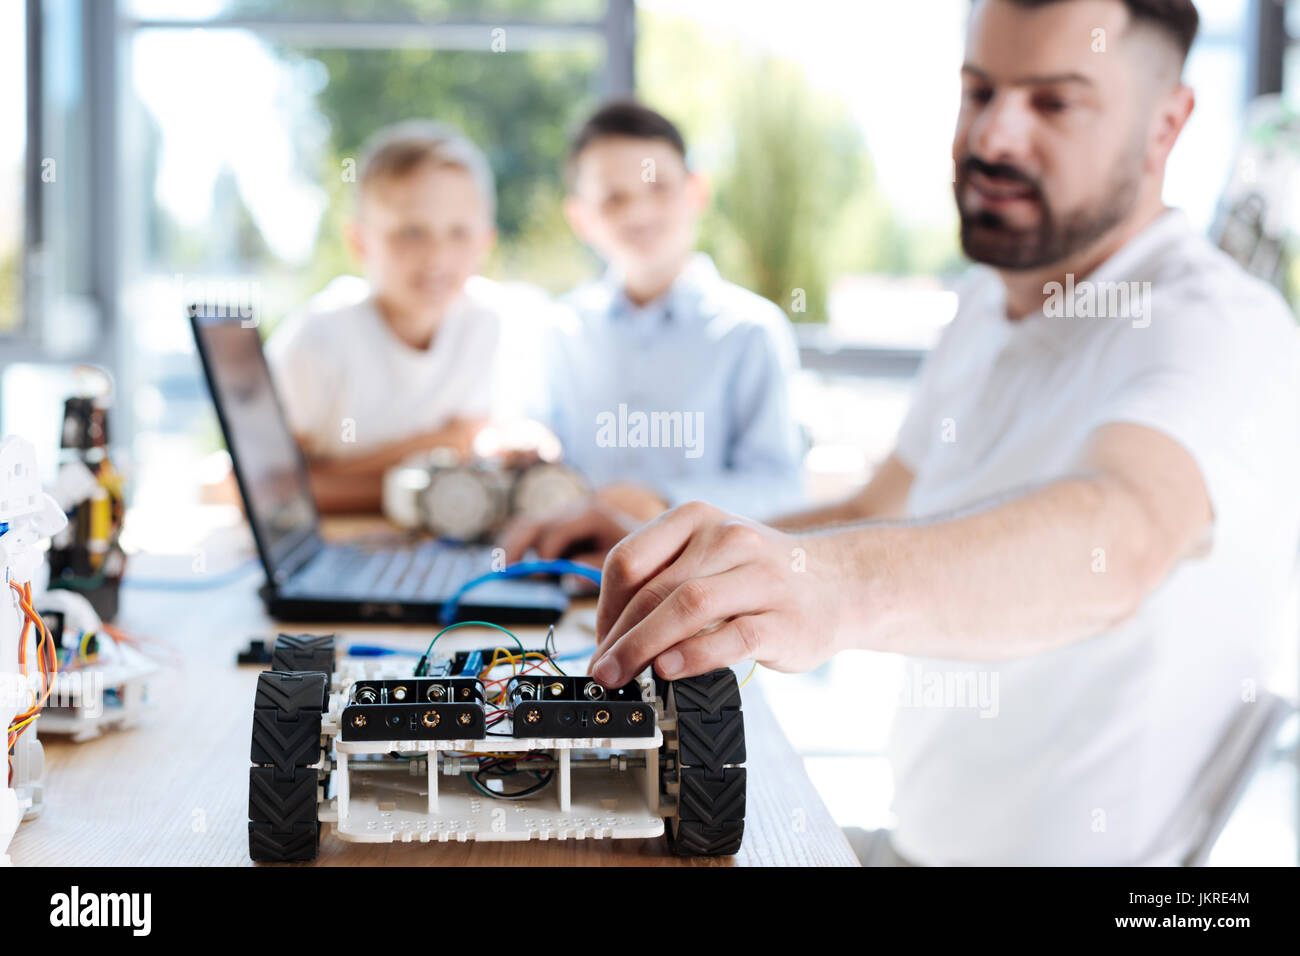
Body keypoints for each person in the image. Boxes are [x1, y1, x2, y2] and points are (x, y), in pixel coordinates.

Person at [529, 0, 1300, 865]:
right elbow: (877, 506)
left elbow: (1120, 539)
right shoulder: (986, 301)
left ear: (1167, 123)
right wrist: (678, 552)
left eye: (1055, 102)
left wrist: (827, 589)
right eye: (980, 90)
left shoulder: (1218, 325)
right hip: (904, 847)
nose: (995, 137)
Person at [500, 101, 805, 563]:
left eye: (657, 187)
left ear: (695, 192)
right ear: (580, 218)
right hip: (567, 575)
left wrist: (661, 502)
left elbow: (783, 490)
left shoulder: (750, 332)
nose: (638, 212)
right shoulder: (558, 331)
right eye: (613, 198)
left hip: (701, 585)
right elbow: (531, 443)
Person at [266, 121, 502, 513]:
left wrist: (330, 477)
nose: (437, 258)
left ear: (484, 242)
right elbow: (265, 490)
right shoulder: (316, 339)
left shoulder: (484, 323)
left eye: (458, 233)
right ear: (359, 241)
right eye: (410, 232)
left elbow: (475, 447)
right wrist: (440, 449)